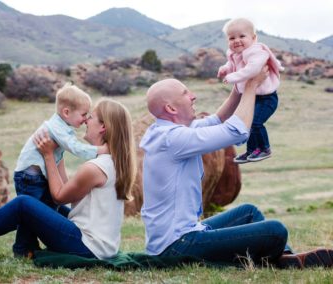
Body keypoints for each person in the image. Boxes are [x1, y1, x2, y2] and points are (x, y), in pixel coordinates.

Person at [140, 75, 333, 269]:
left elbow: (218, 120)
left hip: (179, 237)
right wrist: (251, 87)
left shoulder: (167, 131)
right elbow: (237, 131)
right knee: (276, 231)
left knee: (249, 212)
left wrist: (238, 88)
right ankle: (284, 259)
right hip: (177, 246)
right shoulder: (172, 138)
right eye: (185, 93)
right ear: (171, 108)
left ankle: (286, 258)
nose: (193, 96)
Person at [0, 99, 137, 261]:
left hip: (87, 246)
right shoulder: (111, 162)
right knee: (36, 204)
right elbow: (67, 191)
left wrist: (48, 156)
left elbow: (59, 197)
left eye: (90, 117)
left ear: (103, 127)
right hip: (100, 245)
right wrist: (58, 153)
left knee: (24, 204)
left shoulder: (94, 168)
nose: (85, 120)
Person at [12, 83, 108, 256]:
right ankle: (22, 248)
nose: (86, 119)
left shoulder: (62, 127)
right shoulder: (56, 128)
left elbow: (59, 157)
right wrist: (101, 150)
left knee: (44, 209)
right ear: (66, 112)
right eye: (84, 114)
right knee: (29, 214)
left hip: (38, 177)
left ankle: (30, 246)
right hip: (29, 177)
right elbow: (76, 148)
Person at [217, 18, 284, 164]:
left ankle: (264, 148)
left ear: (253, 38)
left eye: (242, 36)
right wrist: (225, 69)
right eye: (232, 38)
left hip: (266, 98)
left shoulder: (256, 52)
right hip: (252, 96)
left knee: (255, 122)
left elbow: (252, 69)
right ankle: (252, 150)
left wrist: (234, 76)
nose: (237, 40)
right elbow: (232, 64)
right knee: (247, 124)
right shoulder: (236, 54)